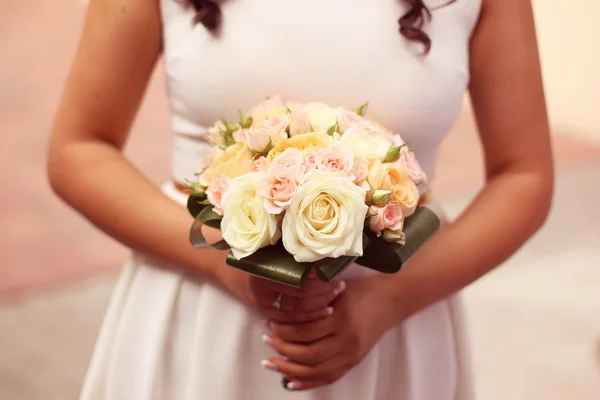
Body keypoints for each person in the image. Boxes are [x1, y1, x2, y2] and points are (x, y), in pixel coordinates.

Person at [47, 0, 554, 398]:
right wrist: (224, 267)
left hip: (398, 319)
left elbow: (523, 175)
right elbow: (79, 148)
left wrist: (388, 300)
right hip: (204, 316)